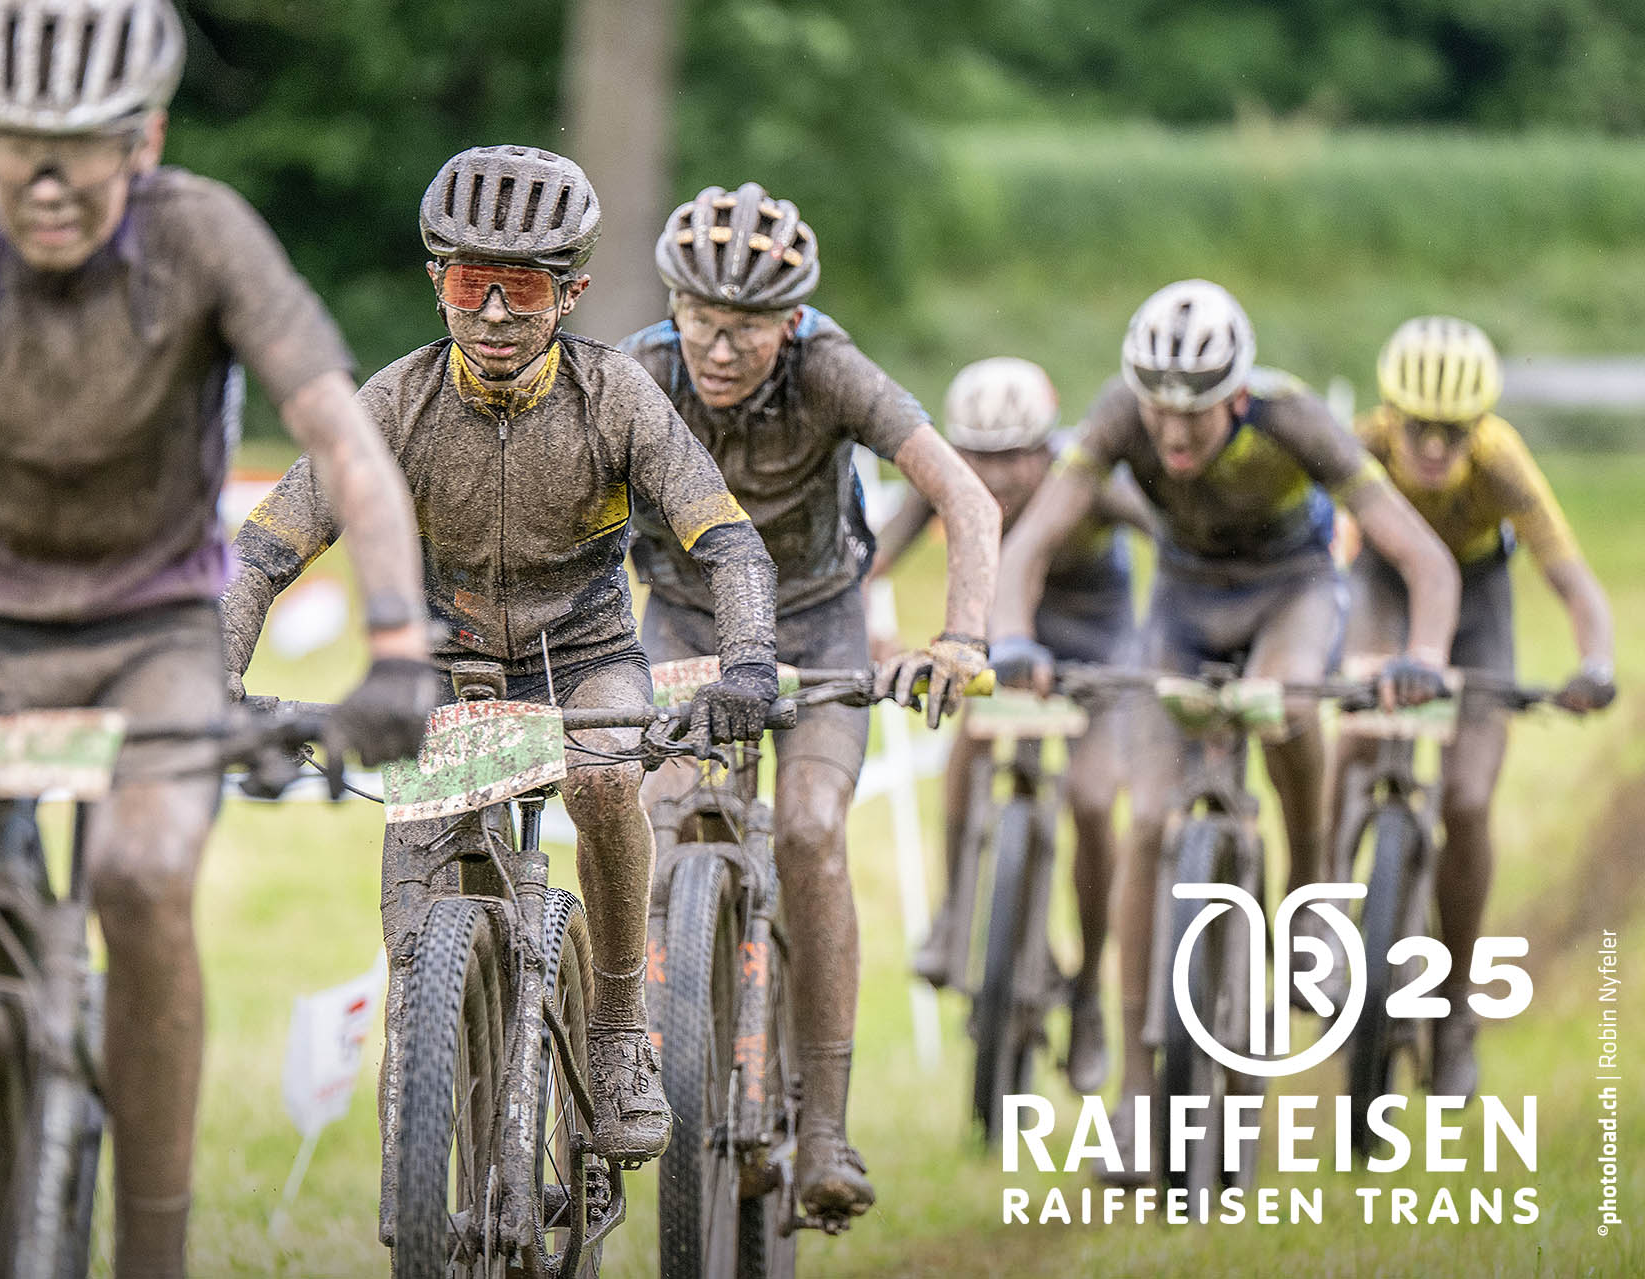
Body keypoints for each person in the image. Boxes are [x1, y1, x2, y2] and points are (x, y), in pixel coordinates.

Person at [0, 1, 433, 1273]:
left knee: (142, 873)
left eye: (84, 150)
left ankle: (152, 1245)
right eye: (15, 150)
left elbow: (343, 439)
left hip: (152, 637)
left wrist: (394, 645)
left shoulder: (205, 234)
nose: (48, 186)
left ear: (145, 139)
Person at [217, 148, 780, 1192]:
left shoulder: (618, 397)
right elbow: (265, 549)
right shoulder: (394, 401)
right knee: (415, 939)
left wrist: (748, 663)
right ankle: (428, 1129)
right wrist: (218, 670)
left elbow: (729, 541)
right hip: (439, 671)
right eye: (470, 281)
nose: (491, 313)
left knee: (607, 779)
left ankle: (617, 1029)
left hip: (587, 659)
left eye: (520, 288)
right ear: (436, 278)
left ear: (570, 292)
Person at [991, 279, 1461, 1177]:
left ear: (1237, 397)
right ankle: (1138, 1094)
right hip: (1182, 602)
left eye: (1195, 414)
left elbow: (1426, 560)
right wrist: (1011, 636)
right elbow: (1030, 541)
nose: (1172, 432)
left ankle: (1312, 895)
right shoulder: (1120, 415)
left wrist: (1427, 653)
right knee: (1147, 821)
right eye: (1158, 410)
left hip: (1291, 592)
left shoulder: (1293, 419)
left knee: (1282, 702)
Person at [620, 182, 1001, 1220]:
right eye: (700, 319)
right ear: (672, 304)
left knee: (810, 830)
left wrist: (960, 636)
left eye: (745, 328)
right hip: (687, 622)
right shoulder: (638, 372)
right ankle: (643, 1054)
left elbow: (966, 497)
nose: (719, 348)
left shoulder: (831, 369)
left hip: (819, 623)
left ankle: (824, 1126)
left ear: (790, 322)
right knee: (649, 814)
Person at [1333, 316, 1616, 1100]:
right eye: (1418, 427)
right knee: (1354, 737)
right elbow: (1312, 544)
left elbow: (1573, 580)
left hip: (1477, 608)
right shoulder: (1361, 446)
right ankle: (1321, 906)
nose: (1433, 447)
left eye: (1453, 431)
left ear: (1479, 424)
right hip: (1384, 588)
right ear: (1391, 415)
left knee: (1466, 796)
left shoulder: (1501, 462)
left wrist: (1595, 663)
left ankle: (1455, 1008)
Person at [870, 357, 1157, 1095]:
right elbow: (872, 559)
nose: (995, 475)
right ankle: (954, 911)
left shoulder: (1088, 480)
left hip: (1099, 646)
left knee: (1093, 797)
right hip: (1007, 642)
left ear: (1047, 446)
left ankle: (1087, 992)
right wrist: (867, 618)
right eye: (977, 456)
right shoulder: (947, 485)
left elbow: (1179, 542)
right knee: (970, 741)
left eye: (1015, 456)